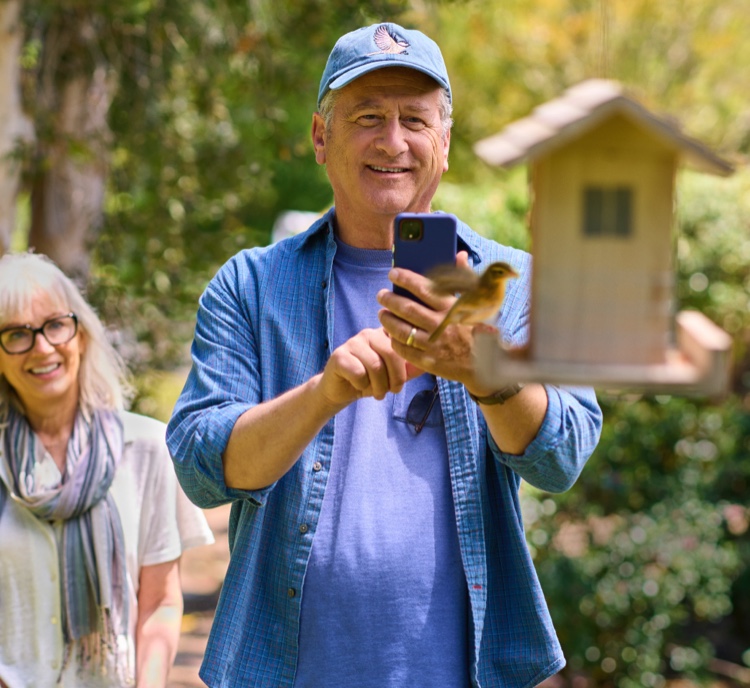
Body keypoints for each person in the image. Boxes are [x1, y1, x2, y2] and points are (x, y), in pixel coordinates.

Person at [167, 21, 602, 688]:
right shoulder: (250, 285)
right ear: (321, 136)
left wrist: (485, 373)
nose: (392, 141)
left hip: (461, 671)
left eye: (415, 120)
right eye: (367, 116)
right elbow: (201, 466)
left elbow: (562, 455)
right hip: (287, 670)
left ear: (445, 142)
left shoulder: (512, 283)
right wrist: (323, 394)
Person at [0, 252, 214, 688]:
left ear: (82, 334)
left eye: (55, 324)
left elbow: (160, 603)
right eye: (17, 334)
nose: (42, 347)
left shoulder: (146, 448)